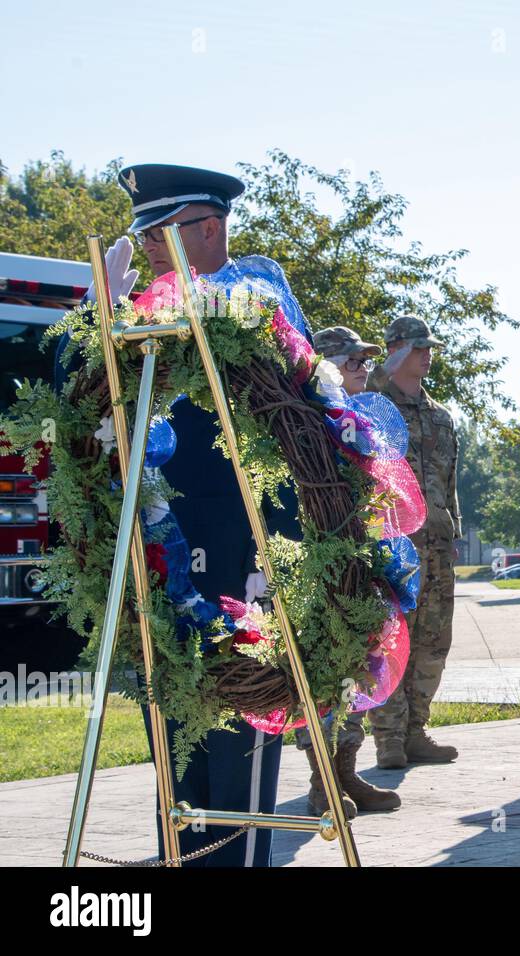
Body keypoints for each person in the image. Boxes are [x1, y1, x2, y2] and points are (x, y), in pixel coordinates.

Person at [53, 163, 304, 866]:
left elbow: (277, 368)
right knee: (178, 765)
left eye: (159, 233)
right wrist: (94, 312)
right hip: (159, 562)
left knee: (238, 762)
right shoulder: (142, 316)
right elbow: (71, 400)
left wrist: (148, 310)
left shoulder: (255, 295)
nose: (149, 249)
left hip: (243, 563)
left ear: (212, 228)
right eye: (142, 235)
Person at [291, 326, 401, 813]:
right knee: (324, 669)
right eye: (355, 362)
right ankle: (321, 785)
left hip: (363, 557)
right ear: (330, 365)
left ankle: (347, 776)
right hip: (323, 564)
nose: (364, 370)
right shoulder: (309, 419)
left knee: (361, 665)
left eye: (365, 362)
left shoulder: (358, 418)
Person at [366, 315, 462, 769]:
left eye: (429, 348)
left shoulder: (440, 417)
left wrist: (453, 534)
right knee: (390, 640)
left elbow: (449, 483)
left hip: (437, 549)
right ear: (396, 350)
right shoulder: (369, 408)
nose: (427, 355)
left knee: (432, 641)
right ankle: (388, 738)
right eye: (417, 347)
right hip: (392, 546)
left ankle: (415, 730)